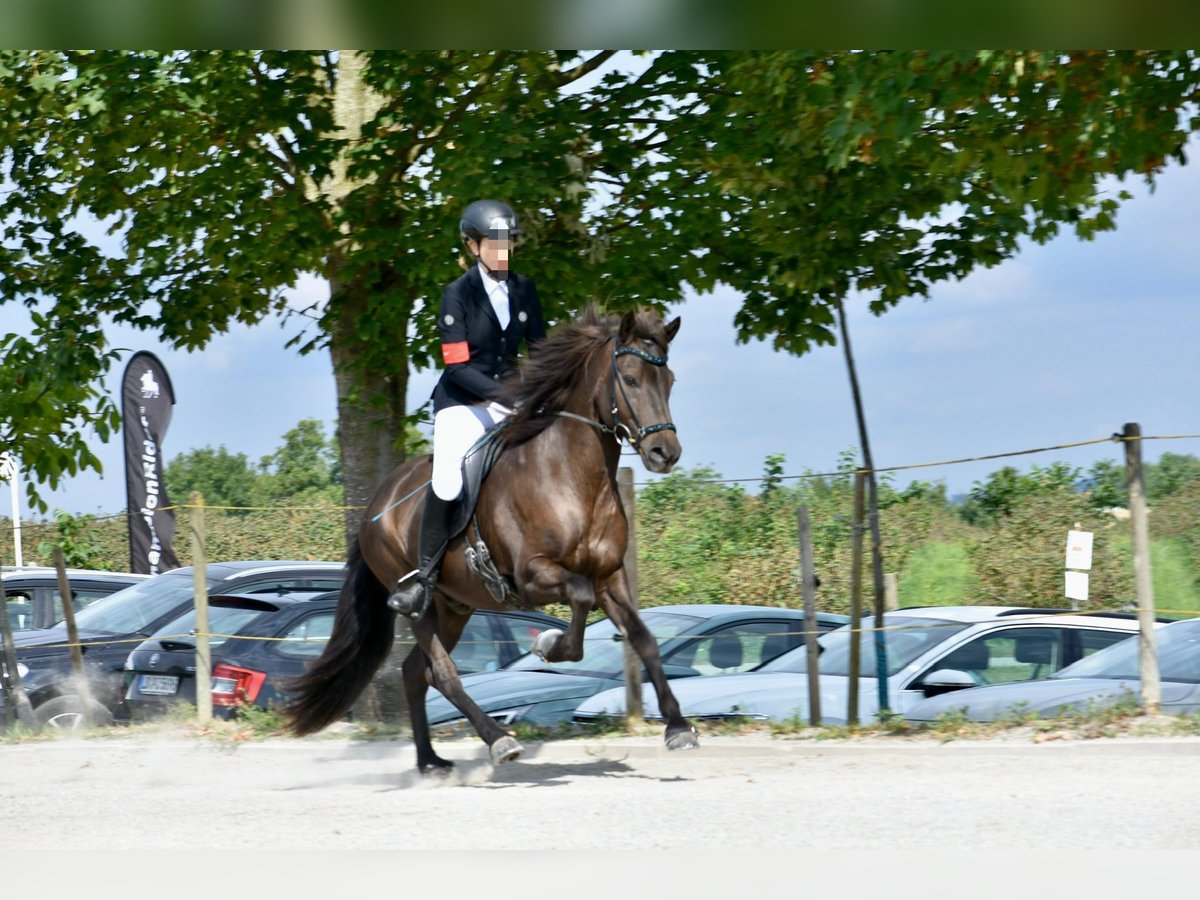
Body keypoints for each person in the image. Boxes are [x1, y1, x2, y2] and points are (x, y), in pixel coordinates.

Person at [387, 199, 546, 620]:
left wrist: (543, 395)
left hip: (511, 403)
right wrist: (505, 396)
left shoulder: (524, 289)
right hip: (462, 404)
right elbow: (456, 366)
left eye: (508, 242)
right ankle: (424, 577)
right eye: (494, 244)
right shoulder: (456, 295)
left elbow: (542, 350)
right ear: (473, 247)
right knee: (447, 480)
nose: (503, 251)